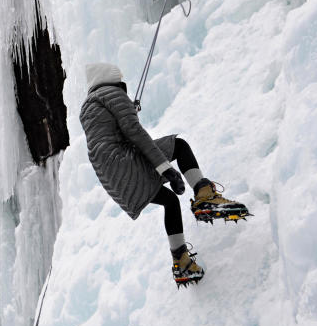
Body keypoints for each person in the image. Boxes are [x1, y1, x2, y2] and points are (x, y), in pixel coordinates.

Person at [78, 63, 249, 287]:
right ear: (112, 79)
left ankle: (181, 262)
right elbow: (134, 131)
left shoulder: (88, 107)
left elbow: (112, 133)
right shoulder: (111, 93)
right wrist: (164, 168)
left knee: (170, 201)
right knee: (179, 146)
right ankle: (205, 195)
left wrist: (129, 110)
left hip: (113, 178)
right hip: (124, 162)